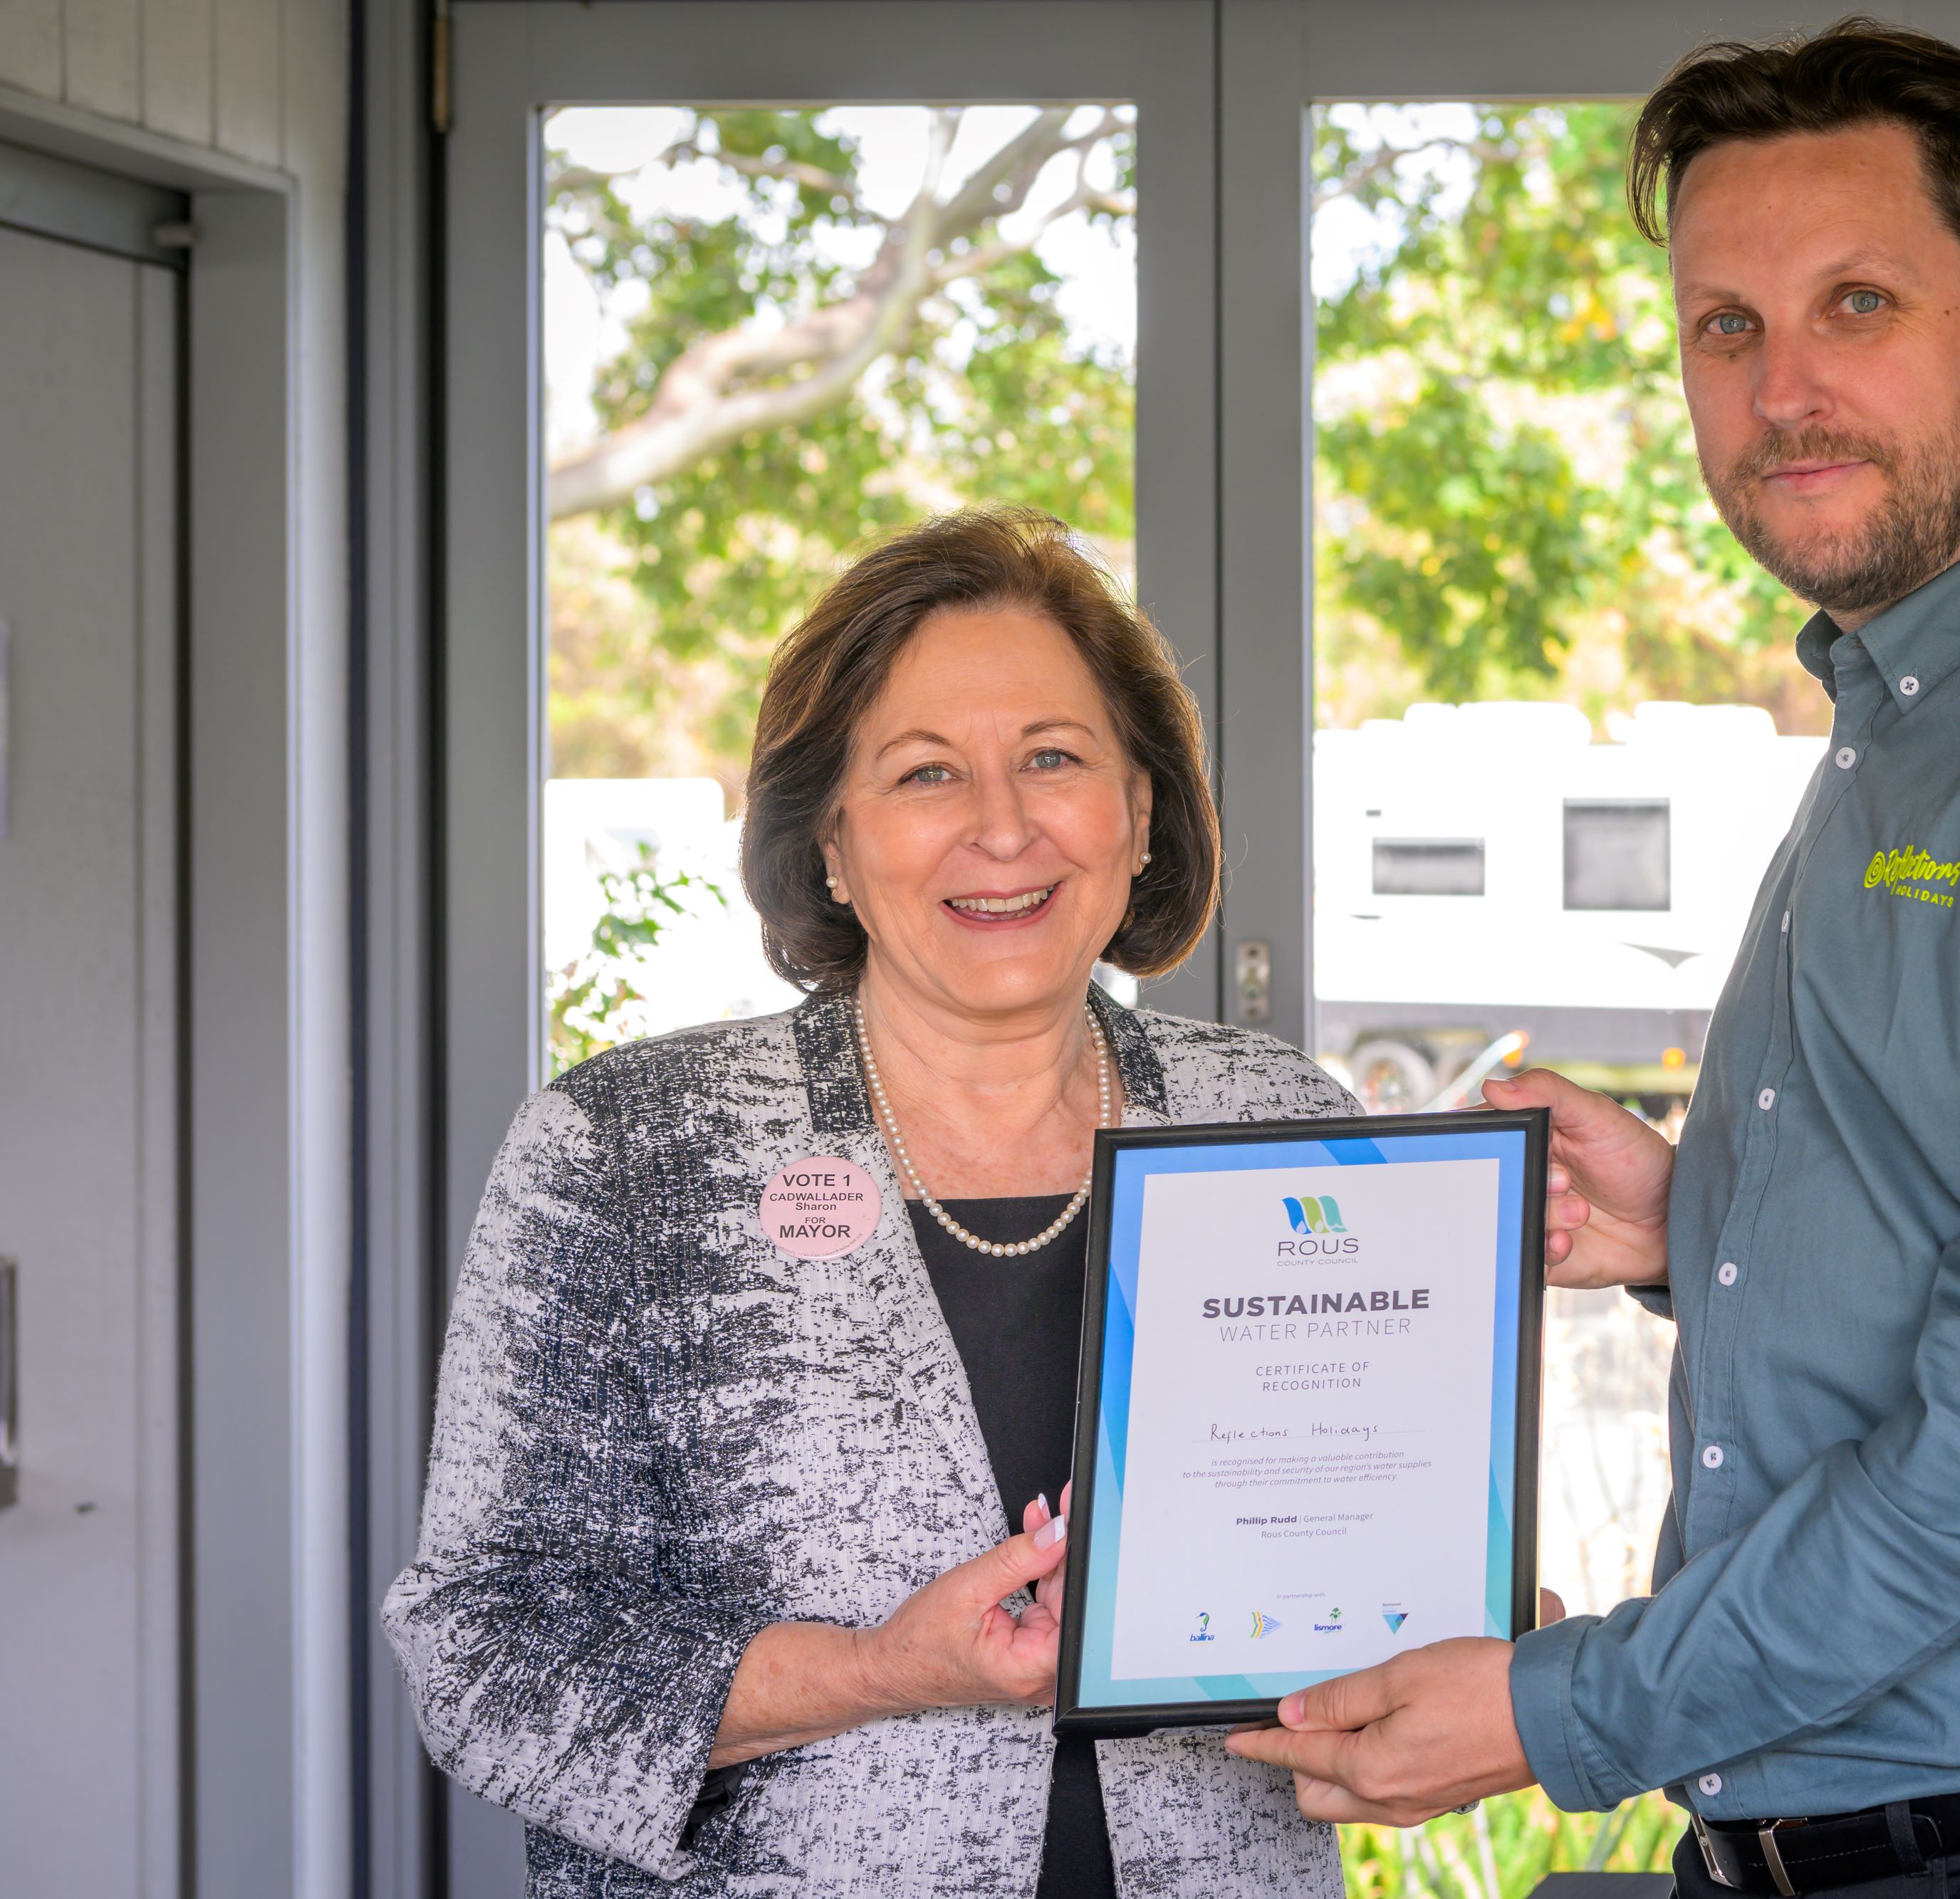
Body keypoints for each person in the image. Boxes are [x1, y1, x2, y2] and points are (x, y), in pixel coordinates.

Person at [1227, 21, 1960, 1897]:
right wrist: (1693, 1224)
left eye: (1858, 302)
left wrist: (1560, 1707)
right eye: (1727, 327)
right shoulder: (1904, 718)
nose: (1786, 391)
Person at [385, 506, 1357, 1898]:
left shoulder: (1287, 1127)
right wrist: (871, 1670)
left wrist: (1451, 1630)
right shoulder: (627, 1152)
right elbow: (487, 1648)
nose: (1002, 824)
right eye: (923, 774)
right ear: (831, 843)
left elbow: (1348, 1553)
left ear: (1141, 811)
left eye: (1053, 757)